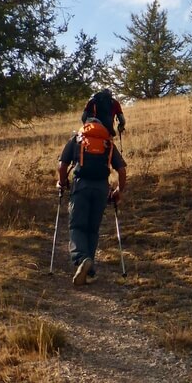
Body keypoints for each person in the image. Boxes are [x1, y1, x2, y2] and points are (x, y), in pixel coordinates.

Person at [57, 117, 127, 285]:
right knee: (92, 229)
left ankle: (82, 259)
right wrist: (118, 191)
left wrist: (63, 182)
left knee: (77, 226)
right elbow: (122, 170)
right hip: (102, 188)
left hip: (81, 186)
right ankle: (90, 270)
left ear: (86, 125)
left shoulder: (77, 139)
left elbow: (62, 166)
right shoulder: (108, 143)